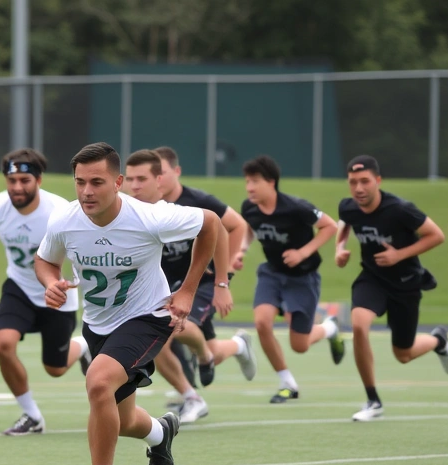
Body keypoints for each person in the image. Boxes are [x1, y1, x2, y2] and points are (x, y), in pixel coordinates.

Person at [35, 142, 220, 465]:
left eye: (97, 182)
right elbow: (45, 258)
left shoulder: (150, 216)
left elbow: (212, 224)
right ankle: (160, 431)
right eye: (80, 182)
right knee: (122, 419)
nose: (86, 191)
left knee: (97, 381)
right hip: (98, 324)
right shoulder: (64, 220)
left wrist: (187, 289)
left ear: (118, 183)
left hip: (147, 318)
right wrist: (51, 282)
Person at [0, 148, 91, 435]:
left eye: (24, 180)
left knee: (55, 368)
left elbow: (82, 246)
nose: (17, 187)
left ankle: (84, 346)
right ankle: (31, 415)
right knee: (3, 344)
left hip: (57, 293)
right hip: (20, 288)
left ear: (39, 180)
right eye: (12, 180)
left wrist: (71, 279)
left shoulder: (60, 211)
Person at [335, 155, 448, 422]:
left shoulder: (401, 209)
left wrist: (399, 255)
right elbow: (344, 222)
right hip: (372, 279)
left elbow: (436, 235)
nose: (359, 188)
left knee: (403, 354)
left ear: (377, 181)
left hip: (405, 283)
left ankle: (438, 340)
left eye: (365, 181)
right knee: (358, 324)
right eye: (353, 182)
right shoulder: (348, 207)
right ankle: (373, 400)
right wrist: (339, 248)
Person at [237, 155, 344, 404]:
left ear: (271, 182)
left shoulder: (296, 207)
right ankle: (287, 382)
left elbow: (330, 226)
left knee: (300, 345)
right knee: (262, 322)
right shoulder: (249, 207)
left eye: (255, 181)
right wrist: (240, 251)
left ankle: (329, 328)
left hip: (302, 278)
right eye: (247, 182)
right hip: (271, 273)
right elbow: (249, 228)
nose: (249, 187)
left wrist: (303, 252)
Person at [153, 146, 257, 388]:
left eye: (162, 172)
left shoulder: (198, 201)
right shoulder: (146, 207)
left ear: (177, 171)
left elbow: (238, 226)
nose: (156, 180)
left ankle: (189, 394)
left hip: (202, 281)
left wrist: (224, 277)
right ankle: (237, 346)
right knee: (213, 353)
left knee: (167, 328)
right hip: (168, 286)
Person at [122, 149, 212, 424]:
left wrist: (222, 281)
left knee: (167, 332)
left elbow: (221, 226)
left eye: (142, 179)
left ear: (159, 179)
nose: (134, 186)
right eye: (130, 179)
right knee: (157, 344)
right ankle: (192, 392)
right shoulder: (119, 211)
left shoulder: (176, 210)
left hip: (197, 282)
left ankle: (203, 361)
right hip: (153, 291)